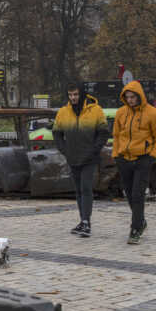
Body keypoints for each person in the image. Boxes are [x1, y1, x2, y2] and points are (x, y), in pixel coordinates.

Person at [111, 80, 156, 245]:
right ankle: (140, 221)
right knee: (129, 194)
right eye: (127, 97)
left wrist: (152, 157)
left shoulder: (153, 113)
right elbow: (116, 136)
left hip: (143, 159)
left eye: (133, 97)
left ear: (139, 96)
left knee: (137, 195)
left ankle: (135, 229)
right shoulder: (121, 113)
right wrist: (116, 155)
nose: (130, 100)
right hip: (124, 159)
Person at [52, 83, 108, 237]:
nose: (73, 98)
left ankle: (86, 222)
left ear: (81, 94)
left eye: (75, 94)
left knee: (86, 188)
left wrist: (94, 150)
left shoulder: (95, 110)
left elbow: (103, 133)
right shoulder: (63, 112)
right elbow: (57, 133)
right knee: (78, 190)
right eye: (70, 95)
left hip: (89, 157)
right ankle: (83, 220)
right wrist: (65, 150)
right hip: (73, 157)